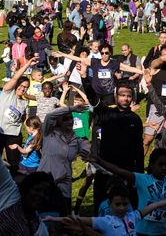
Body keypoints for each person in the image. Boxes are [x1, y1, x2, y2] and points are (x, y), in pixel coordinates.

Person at [0, 107, 53, 236]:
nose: (41, 196)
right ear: (27, 188)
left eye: (45, 194)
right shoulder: (7, 192)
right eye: (37, 190)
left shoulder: (38, 227)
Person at [78, 62, 144, 213]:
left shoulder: (135, 119)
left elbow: (139, 149)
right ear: (116, 96)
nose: (125, 99)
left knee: (127, 209)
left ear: (132, 97)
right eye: (122, 95)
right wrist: (84, 77)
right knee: (101, 207)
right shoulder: (106, 114)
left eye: (128, 96)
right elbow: (92, 97)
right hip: (104, 169)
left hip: (127, 170)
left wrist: (139, 175)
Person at [45, 183, 166, 236]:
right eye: (118, 204)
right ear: (110, 204)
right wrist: (53, 218)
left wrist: (162, 202)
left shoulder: (132, 216)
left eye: (125, 204)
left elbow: (149, 208)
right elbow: (78, 219)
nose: (122, 208)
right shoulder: (105, 221)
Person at [37, 105, 91, 212]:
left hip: (64, 184)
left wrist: (90, 155)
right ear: (58, 122)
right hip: (46, 181)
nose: (70, 121)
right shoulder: (49, 133)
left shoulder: (76, 140)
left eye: (71, 118)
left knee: (62, 219)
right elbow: (49, 115)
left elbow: (90, 150)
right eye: (65, 119)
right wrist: (71, 108)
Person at [0, 56, 39, 176]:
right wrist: (28, 64)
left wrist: (31, 130)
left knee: (14, 163)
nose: (23, 89)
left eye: (26, 88)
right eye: (22, 86)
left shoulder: (24, 102)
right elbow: (15, 77)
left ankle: (15, 184)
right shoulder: (8, 92)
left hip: (13, 135)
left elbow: (24, 119)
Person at [54, 43, 143, 105]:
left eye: (106, 53)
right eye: (102, 53)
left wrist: (143, 72)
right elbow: (79, 59)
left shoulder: (114, 64)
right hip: (96, 94)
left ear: (110, 53)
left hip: (109, 95)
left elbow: (129, 68)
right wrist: (62, 54)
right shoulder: (95, 62)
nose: (104, 55)